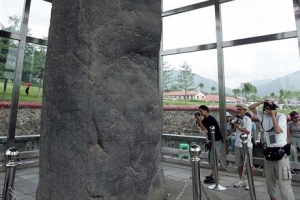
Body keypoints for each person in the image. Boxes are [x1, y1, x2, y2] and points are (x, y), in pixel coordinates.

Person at [249, 100, 295, 200]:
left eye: (273, 108)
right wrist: (262, 101)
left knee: (284, 184)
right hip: (269, 152)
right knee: (270, 183)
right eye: (269, 108)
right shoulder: (264, 116)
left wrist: (273, 116)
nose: (272, 110)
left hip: (280, 153)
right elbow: (251, 108)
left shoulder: (281, 116)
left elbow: (278, 130)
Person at [195, 105, 223, 184]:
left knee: (214, 157)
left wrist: (199, 120)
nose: (201, 112)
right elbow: (201, 127)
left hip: (216, 140)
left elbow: (205, 129)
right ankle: (213, 174)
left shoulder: (211, 119)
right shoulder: (205, 119)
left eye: (202, 111)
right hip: (211, 140)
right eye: (200, 111)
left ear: (206, 110)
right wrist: (198, 120)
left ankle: (214, 176)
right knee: (211, 157)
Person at [232, 104, 253, 190]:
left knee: (248, 164)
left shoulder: (247, 120)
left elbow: (247, 131)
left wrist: (238, 126)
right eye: (237, 109)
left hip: (246, 144)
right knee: (239, 164)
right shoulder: (237, 119)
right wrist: (233, 125)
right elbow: (234, 130)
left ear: (244, 110)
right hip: (237, 143)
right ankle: (242, 180)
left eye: (240, 109)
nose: (238, 110)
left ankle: (249, 182)